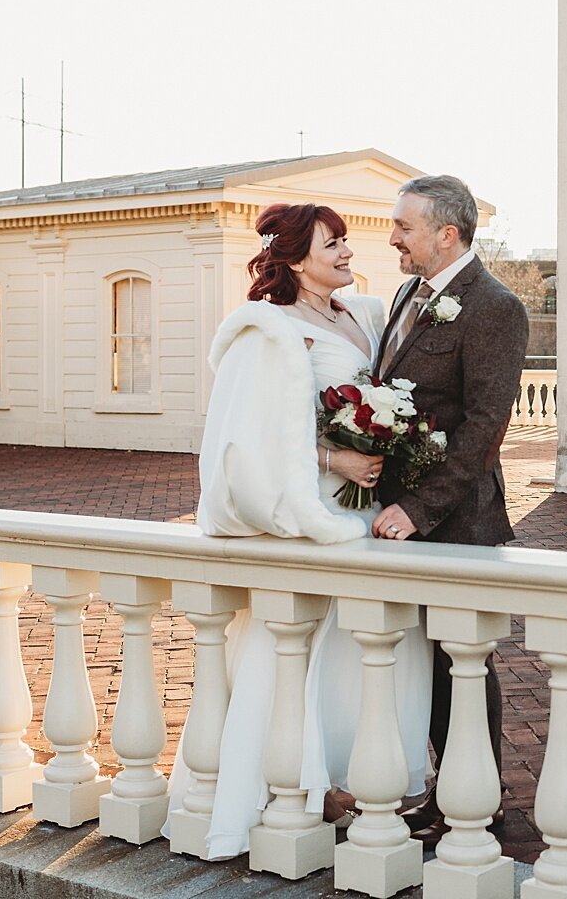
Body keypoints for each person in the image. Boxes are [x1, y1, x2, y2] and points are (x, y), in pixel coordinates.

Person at [166, 202, 434, 860]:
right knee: (293, 649)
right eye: (333, 244)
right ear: (292, 259)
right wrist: (333, 456)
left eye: (345, 241)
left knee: (362, 650)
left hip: (366, 517)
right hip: (310, 515)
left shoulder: (365, 315)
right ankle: (296, 786)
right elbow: (248, 432)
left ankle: (353, 777)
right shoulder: (267, 329)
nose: (348, 253)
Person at [369, 175, 530, 843]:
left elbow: (485, 427)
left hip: (456, 522)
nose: (393, 238)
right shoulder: (409, 292)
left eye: (404, 227)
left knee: (462, 662)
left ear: (448, 233)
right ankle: (444, 790)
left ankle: (481, 799)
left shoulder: (496, 307)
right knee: (424, 664)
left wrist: (417, 508)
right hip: (397, 520)